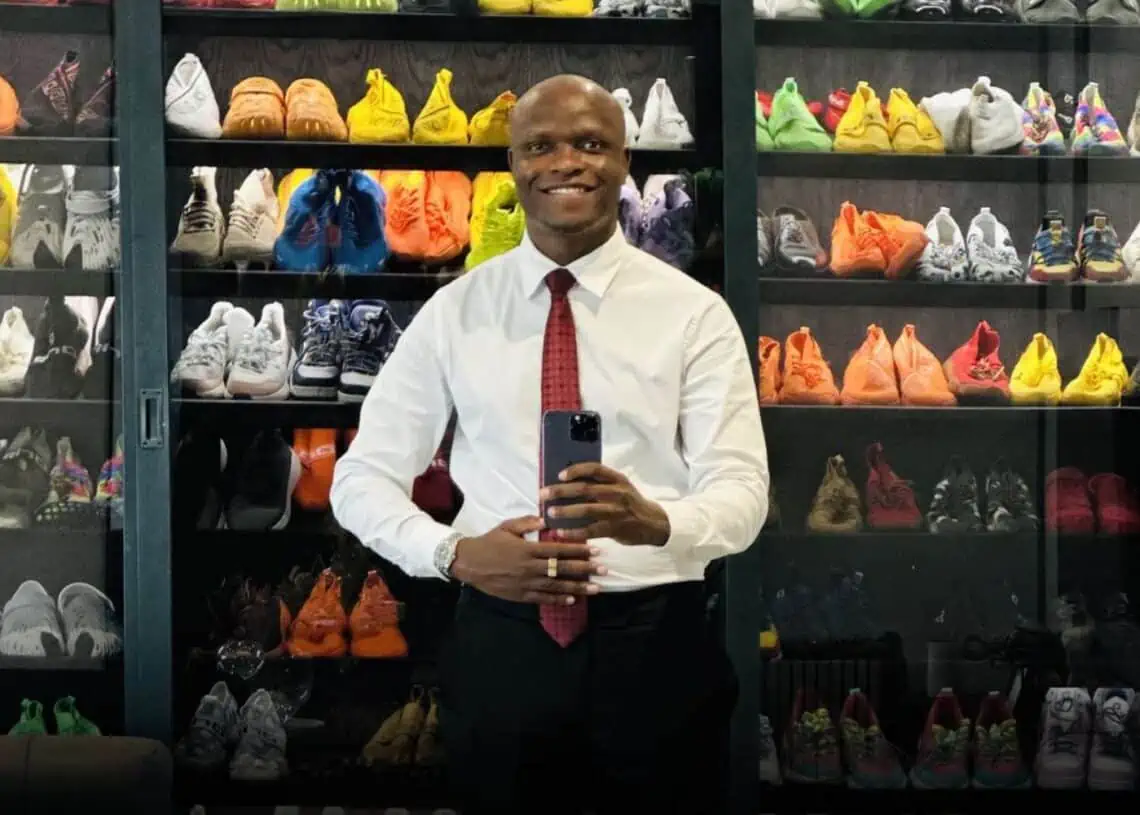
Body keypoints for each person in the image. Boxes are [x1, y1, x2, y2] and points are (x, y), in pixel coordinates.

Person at [331, 74, 769, 814]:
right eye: (540, 146)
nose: (566, 162)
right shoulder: (454, 312)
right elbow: (360, 478)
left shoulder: (694, 314)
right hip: (500, 641)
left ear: (625, 161)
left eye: (590, 144)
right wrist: (453, 553)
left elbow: (744, 492)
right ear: (513, 165)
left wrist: (659, 521)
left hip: (655, 643)